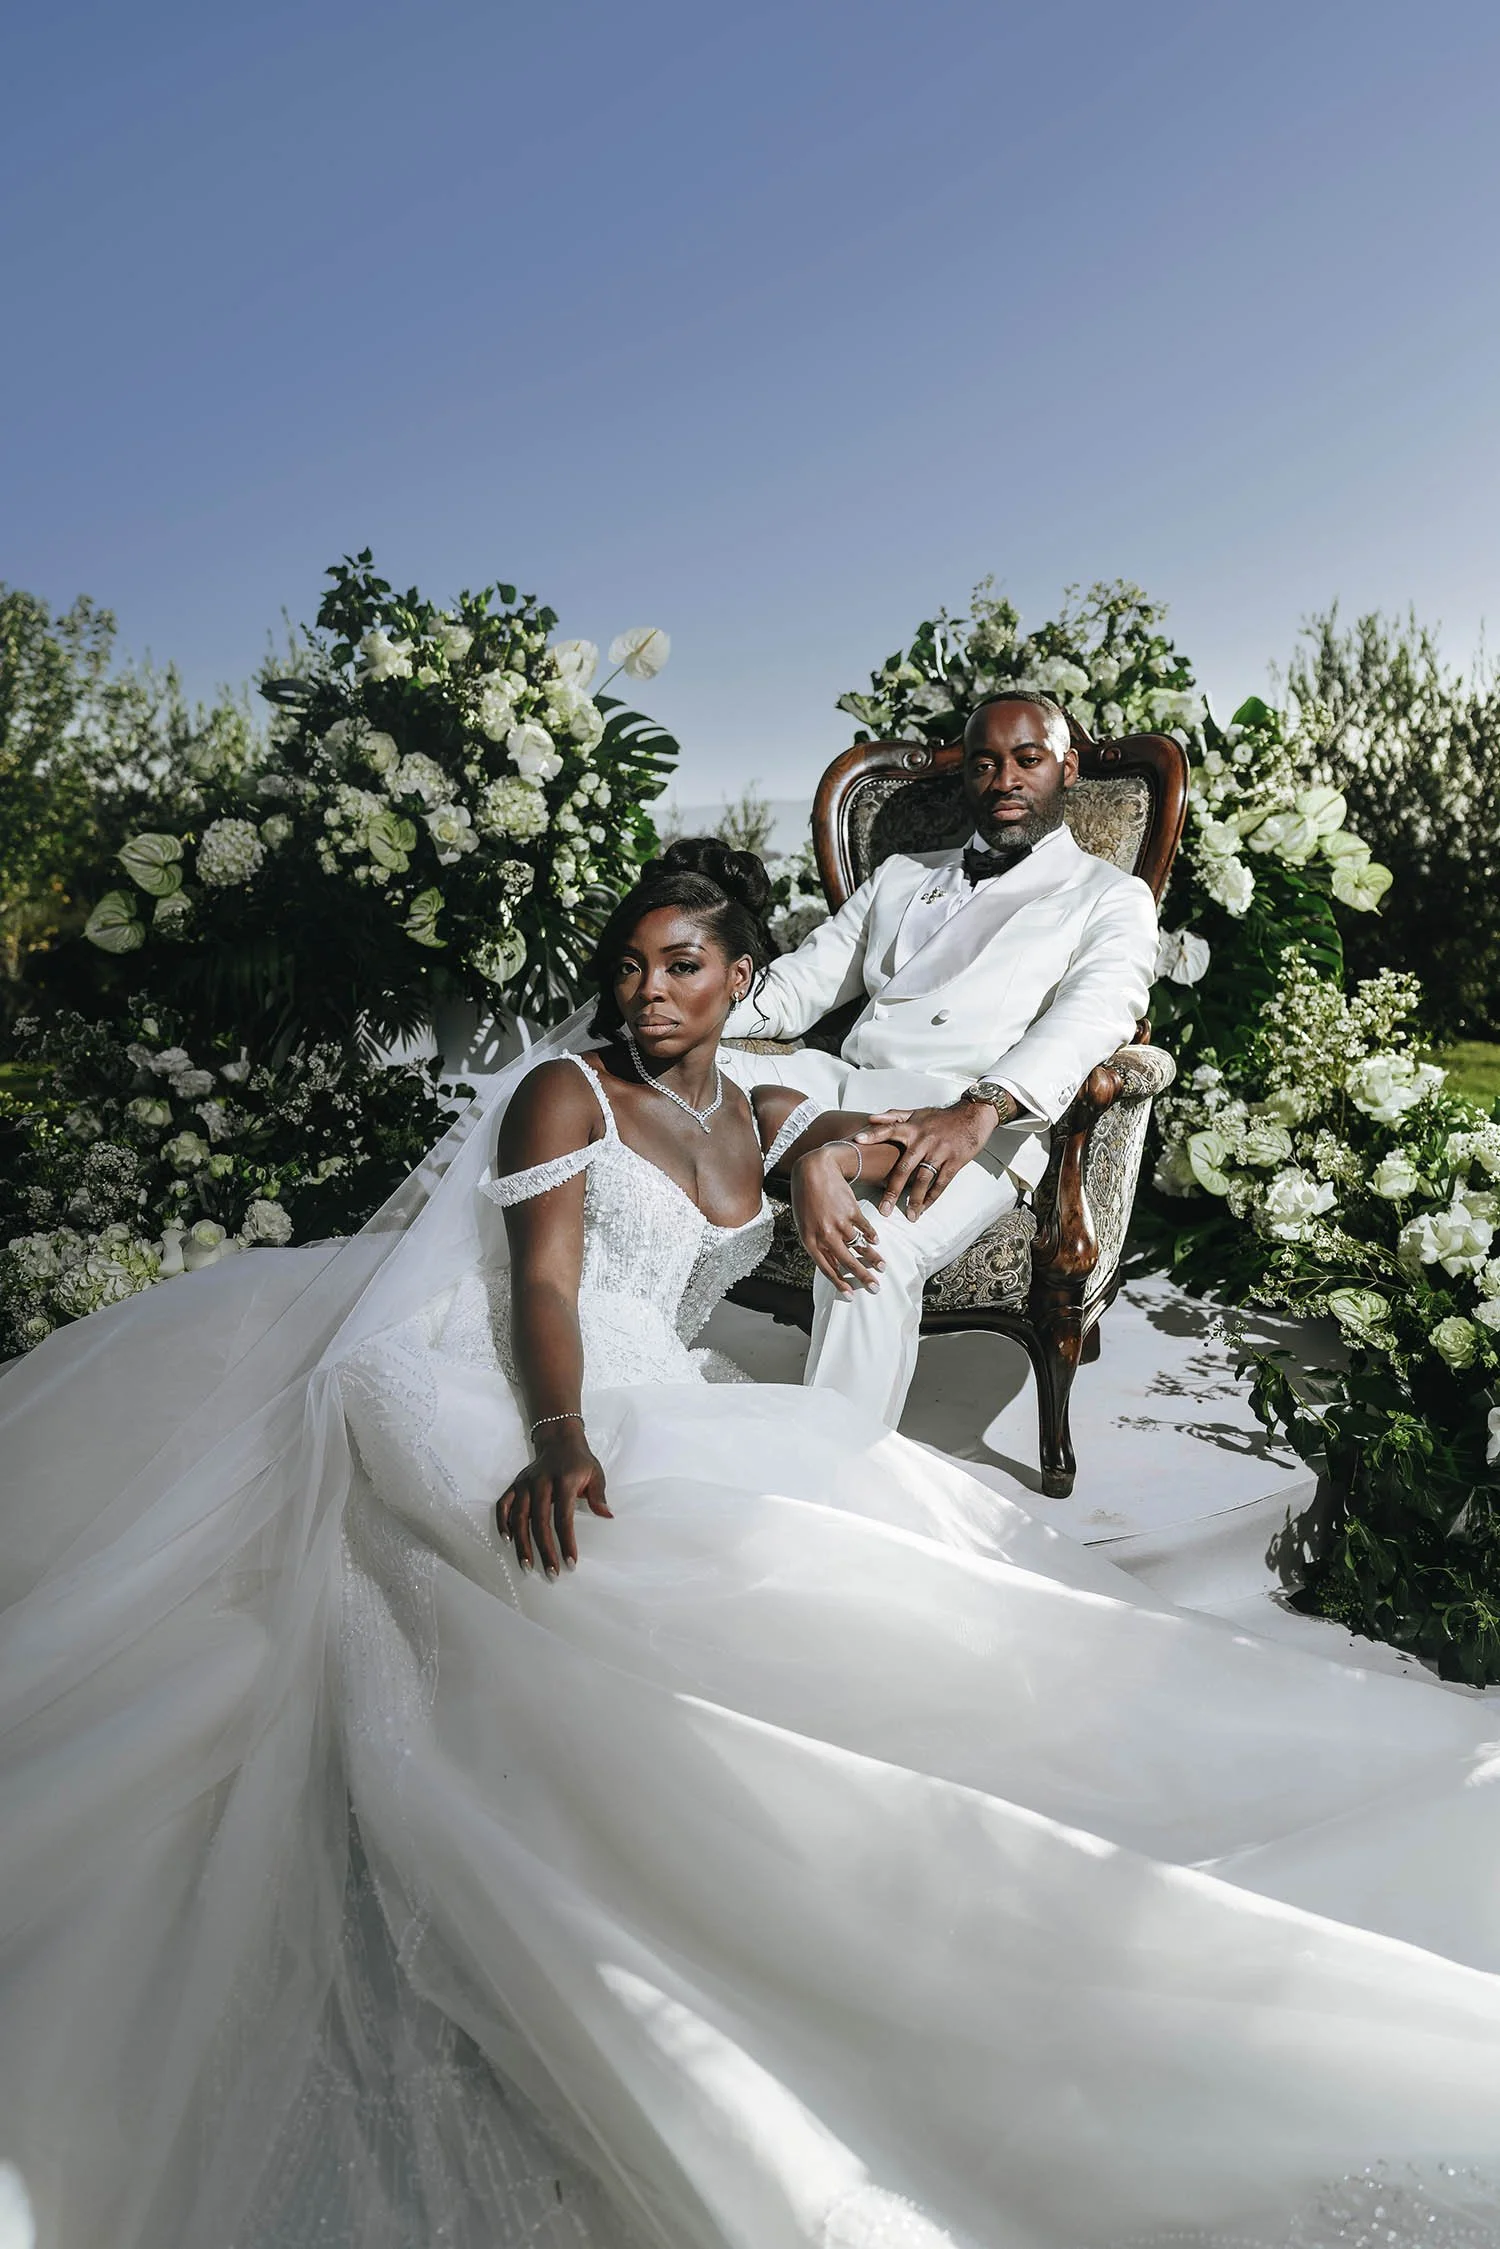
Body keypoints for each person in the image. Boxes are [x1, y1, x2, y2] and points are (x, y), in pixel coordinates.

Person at [2, 840, 1499, 2249]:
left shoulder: (763, 1107)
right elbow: (540, 1284)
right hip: (495, 1368)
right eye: (632, 968)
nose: (650, 993)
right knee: (617, 1580)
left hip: (654, 1381)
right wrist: (554, 1431)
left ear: (740, 979)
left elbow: (825, 1130)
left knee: (851, 1541)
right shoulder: (563, 1097)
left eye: (684, 968)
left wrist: (838, 1159)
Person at [720, 689, 1159, 1425]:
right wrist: (693, 1008)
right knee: (655, 1076)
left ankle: (832, 1486)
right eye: (985, 764)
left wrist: (979, 1108)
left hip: (970, 1119)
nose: (1006, 779)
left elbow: (1093, 1016)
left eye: (1027, 759)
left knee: (872, 1252)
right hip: (845, 1083)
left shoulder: (1110, 896)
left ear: (1067, 768)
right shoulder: (900, 875)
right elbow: (800, 984)